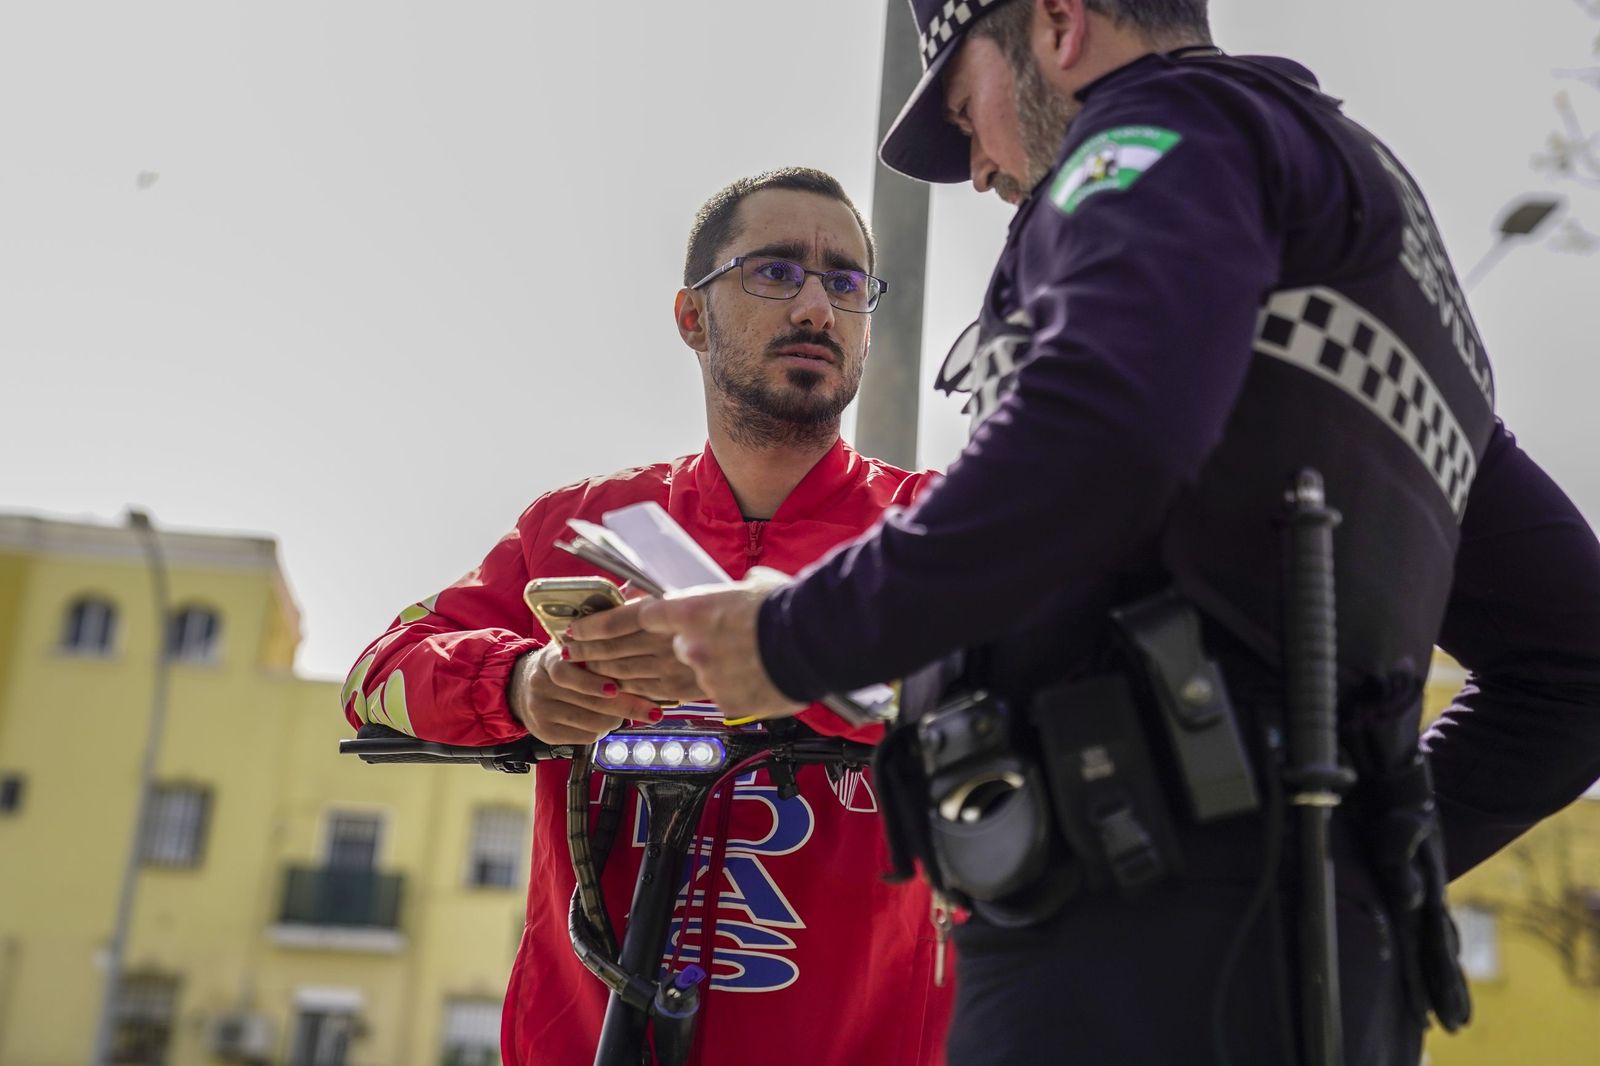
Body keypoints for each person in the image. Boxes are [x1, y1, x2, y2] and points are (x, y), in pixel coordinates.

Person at [619, 3, 1600, 1064]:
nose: (982, 170)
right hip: (1307, 961)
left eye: (965, 107)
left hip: (1124, 942)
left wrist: (793, 635)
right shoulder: (1375, 242)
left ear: (1058, 22)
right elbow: (1577, 657)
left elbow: (1100, 423)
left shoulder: (1159, 133)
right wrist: (1339, 867)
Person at [341, 167, 953, 1066]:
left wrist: (787, 661)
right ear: (692, 318)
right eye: (777, 272)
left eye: (847, 281)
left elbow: (1031, 683)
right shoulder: (580, 526)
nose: (819, 307)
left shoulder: (939, 527)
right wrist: (522, 686)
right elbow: (374, 677)